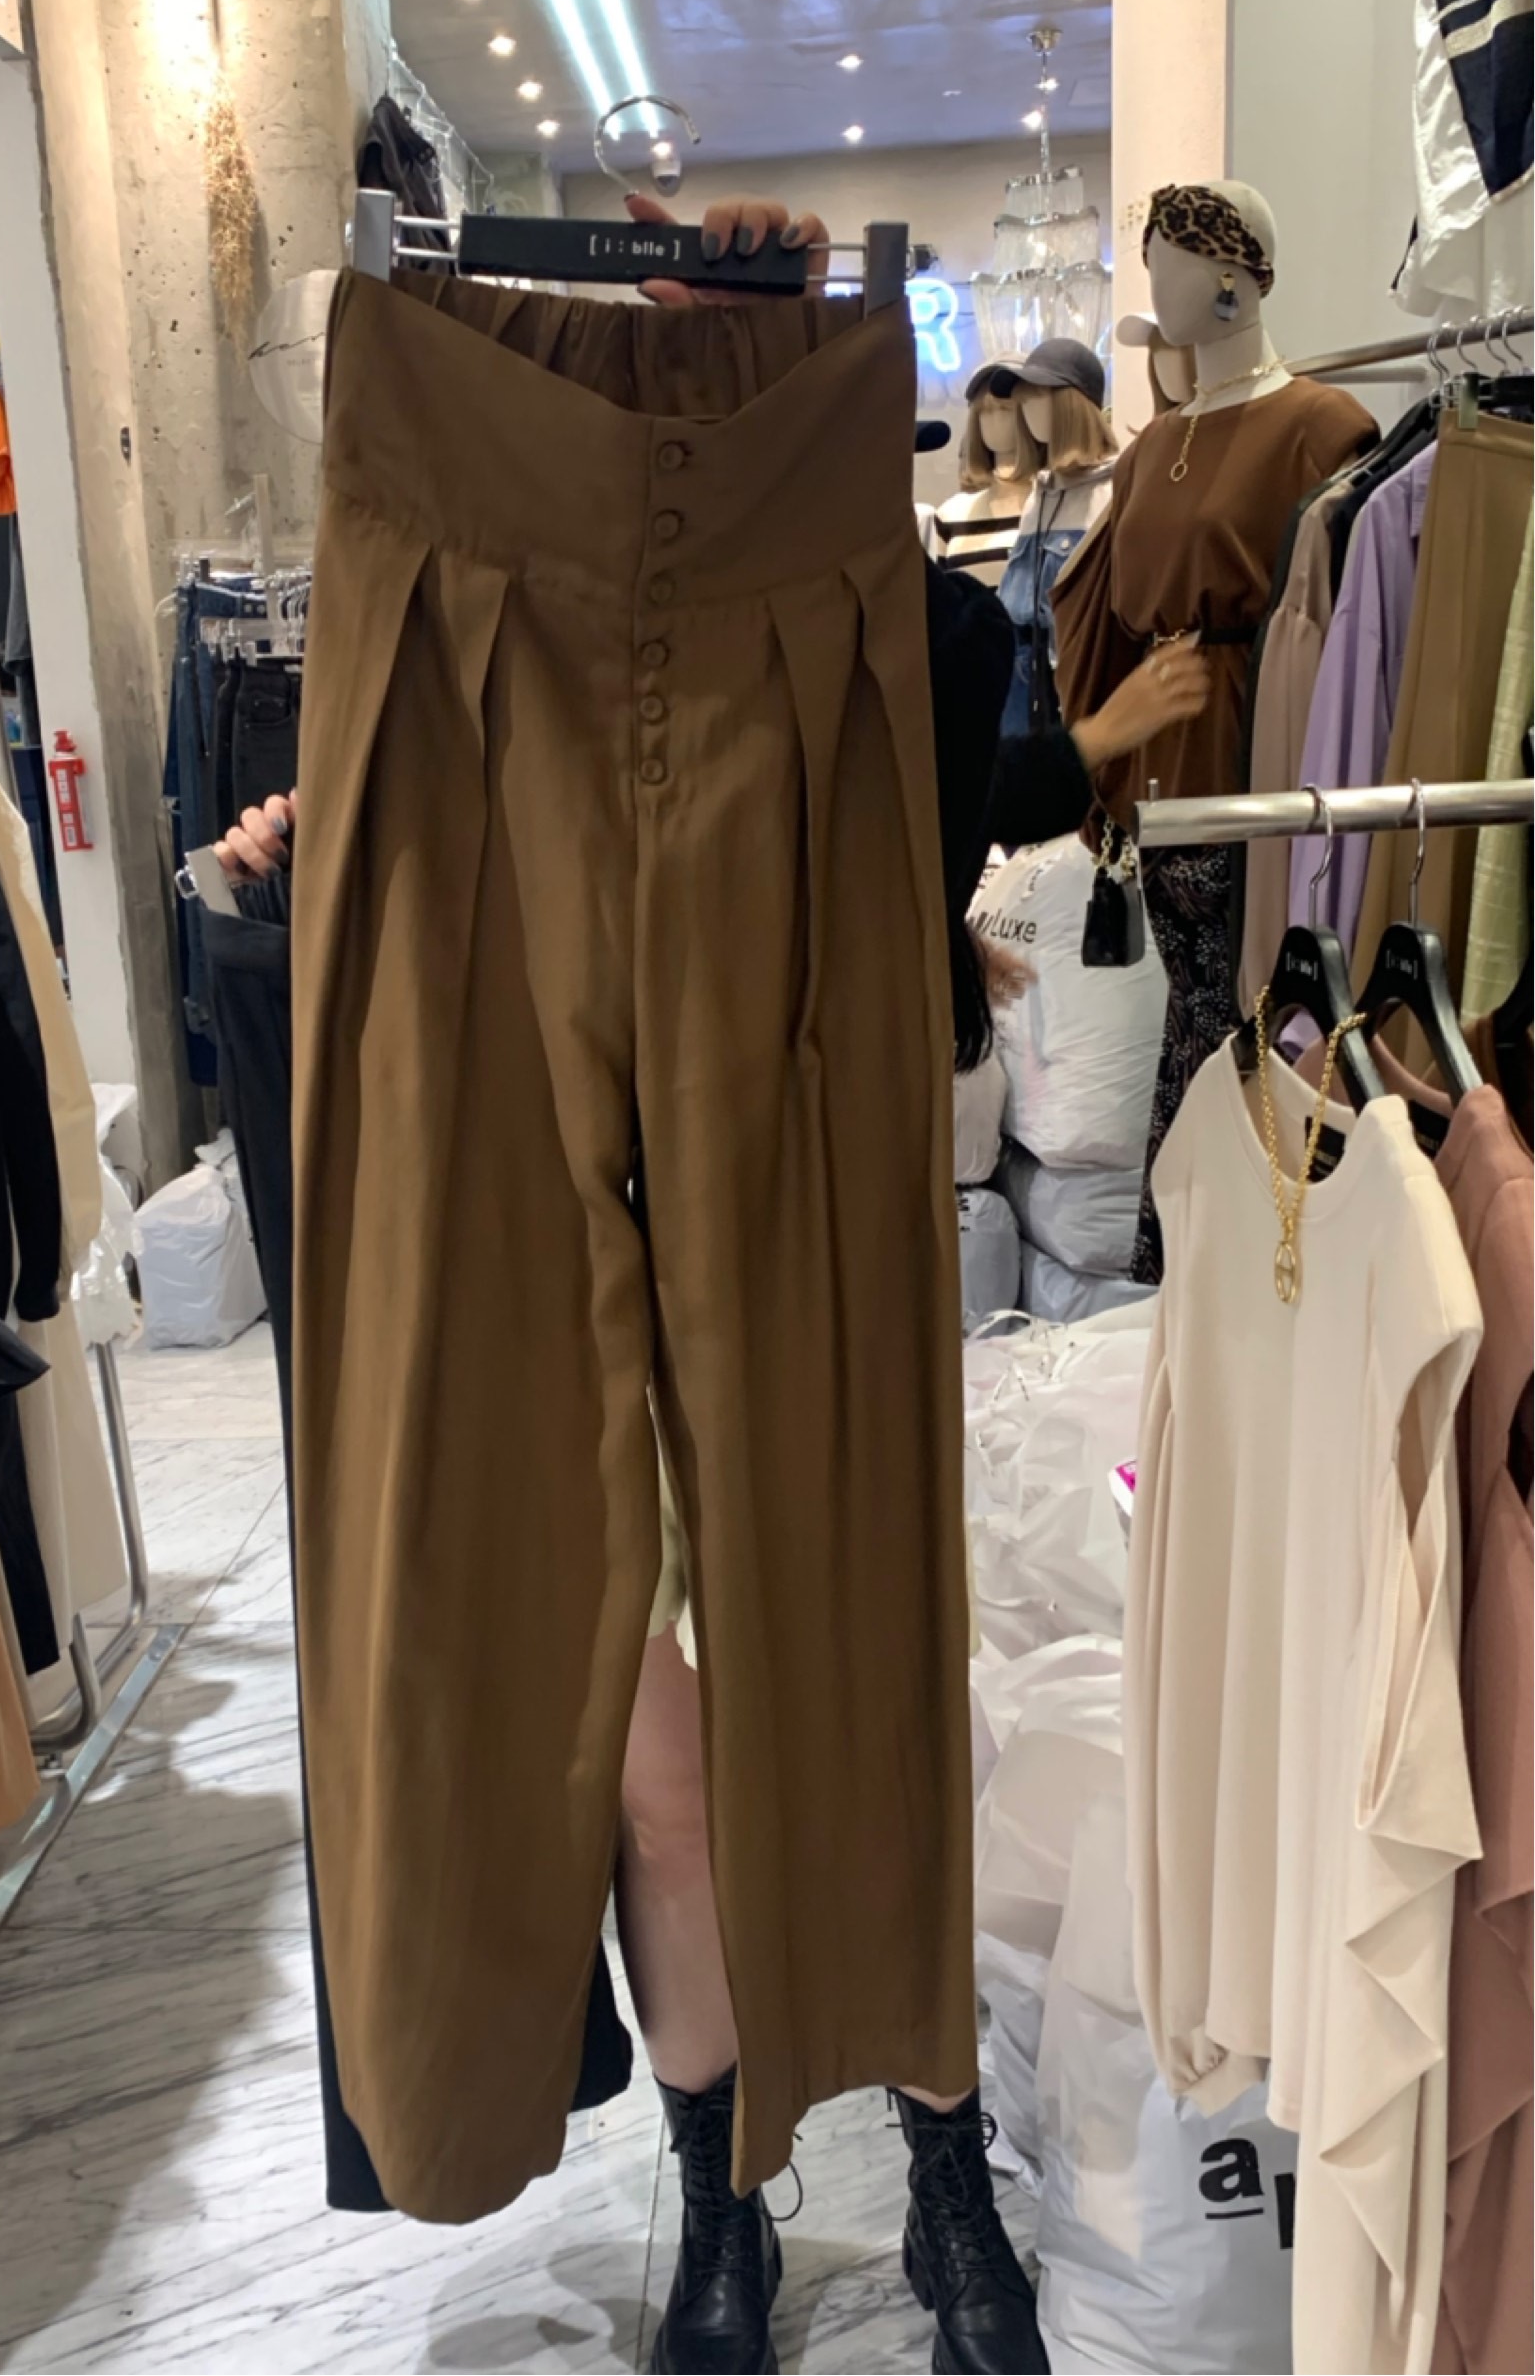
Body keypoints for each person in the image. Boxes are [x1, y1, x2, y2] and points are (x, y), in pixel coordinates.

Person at [214, 195, 1211, 2376]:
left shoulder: (909, 619)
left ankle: (945, 2182)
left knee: (857, 1684)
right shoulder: (447, 566)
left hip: (794, 1134)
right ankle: (723, 2213)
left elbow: (961, 824)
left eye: (705, 308)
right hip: (467, 581)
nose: (662, 330)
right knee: (654, 1770)